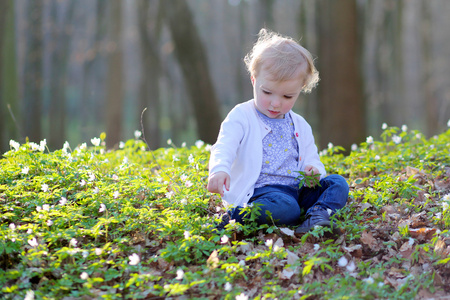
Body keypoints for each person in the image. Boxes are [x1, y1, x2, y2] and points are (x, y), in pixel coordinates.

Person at [207, 29, 349, 234]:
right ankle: (236, 216)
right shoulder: (242, 116)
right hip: (261, 193)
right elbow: (224, 145)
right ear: (254, 80)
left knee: (337, 183)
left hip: (298, 190)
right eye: (267, 92)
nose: (275, 103)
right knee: (286, 208)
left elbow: (312, 157)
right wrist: (220, 170)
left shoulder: (300, 124)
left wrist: (314, 169)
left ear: (301, 89)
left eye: (287, 96)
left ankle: (317, 215)